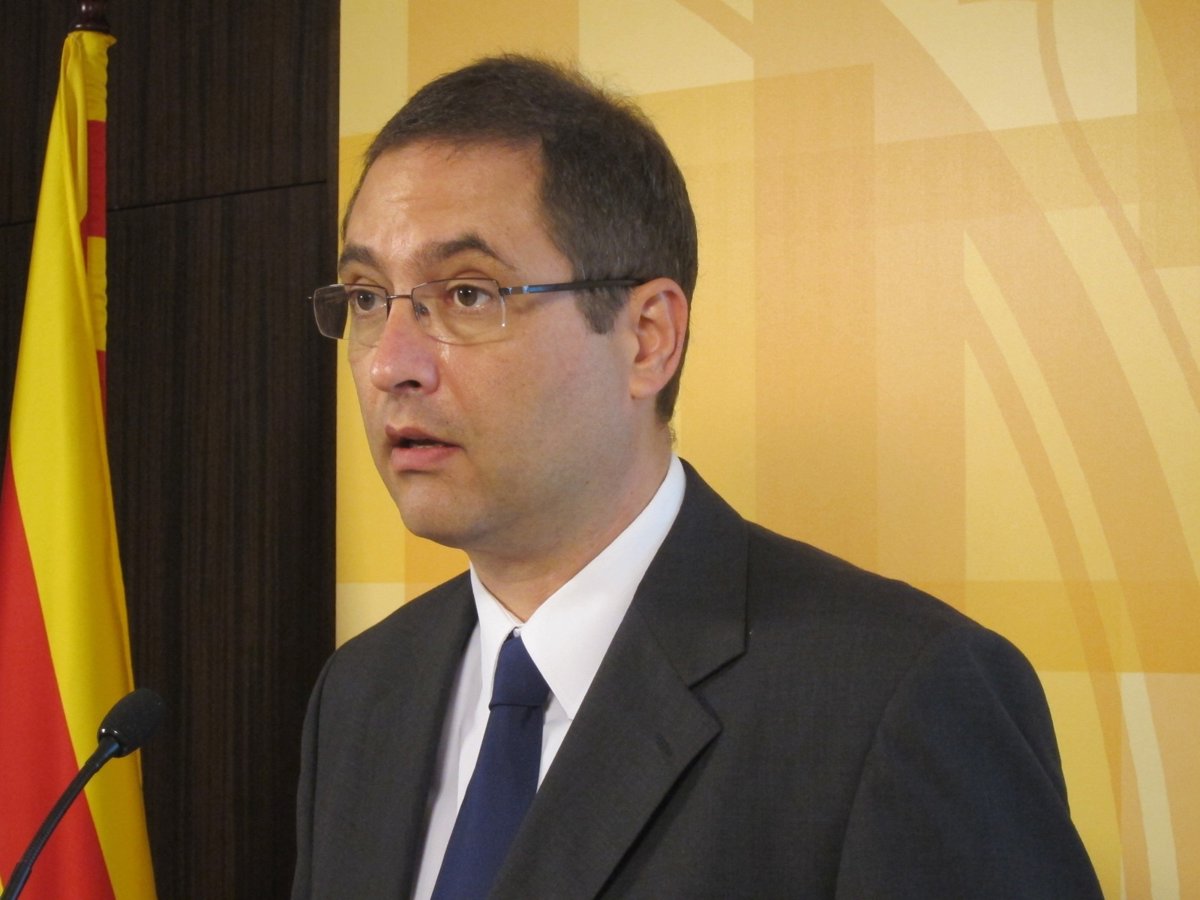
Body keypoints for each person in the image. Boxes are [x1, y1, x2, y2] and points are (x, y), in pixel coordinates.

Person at [292, 55, 1102, 899]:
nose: (389, 364)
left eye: (467, 294)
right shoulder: (360, 695)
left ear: (648, 339)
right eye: (366, 297)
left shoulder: (899, 698)